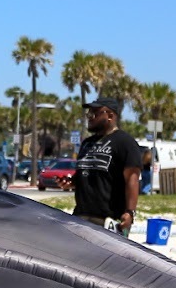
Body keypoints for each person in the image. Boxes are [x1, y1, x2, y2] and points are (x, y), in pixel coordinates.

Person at [58, 97, 142, 237]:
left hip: (109, 219)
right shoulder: (86, 143)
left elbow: (132, 179)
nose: (90, 117)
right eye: (89, 114)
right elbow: (84, 175)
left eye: (95, 113)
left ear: (110, 116)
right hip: (81, 216)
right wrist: (69, 183)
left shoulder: (125, 142)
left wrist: (130, 212)